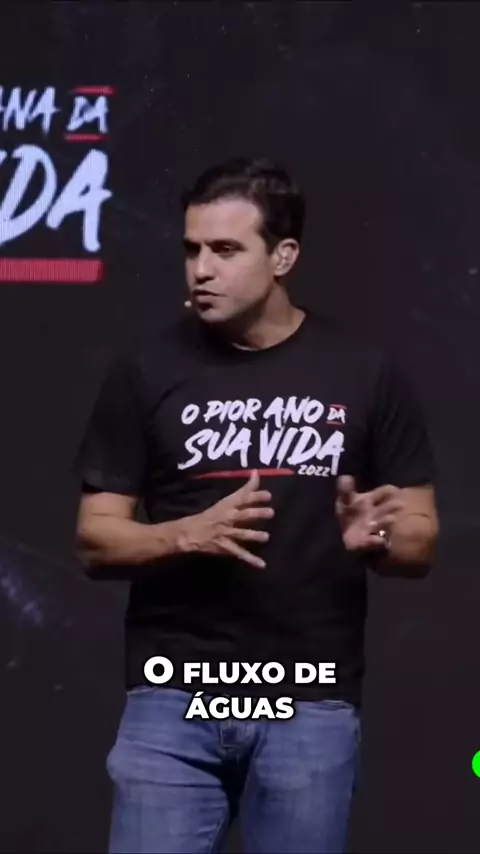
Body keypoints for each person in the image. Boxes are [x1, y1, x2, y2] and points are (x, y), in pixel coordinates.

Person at [74, 157, 439, 854]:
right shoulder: (147, 370)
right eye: (192, 250)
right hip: (173, 694)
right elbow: (95, 538)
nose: (201, 270)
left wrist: (381, 538)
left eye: (225, 250)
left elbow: (420, 538)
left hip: (307, 695)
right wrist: (185, 534)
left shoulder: (364, 373)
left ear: (283, 256)